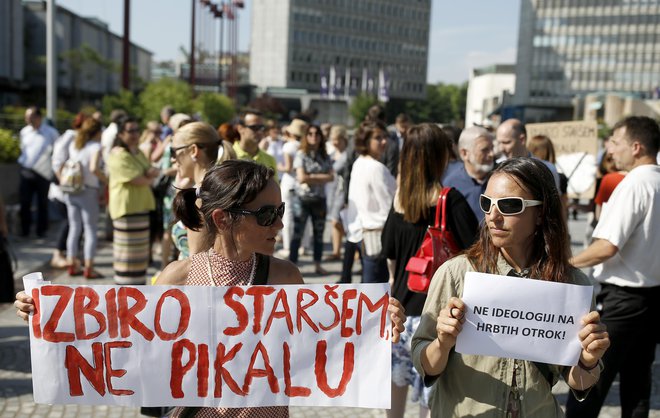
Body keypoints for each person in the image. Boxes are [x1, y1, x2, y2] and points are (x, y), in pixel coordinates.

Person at [15, 160, 408, 417]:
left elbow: (320, 343)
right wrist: (45, 314)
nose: (279, 225)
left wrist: (374, 321)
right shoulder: (178, 278)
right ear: (222, 219)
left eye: (281, 212)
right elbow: (133, 351)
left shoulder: (286, 278)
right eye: (268, 215)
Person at [412, 157, 610, 417]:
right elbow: (425, 365)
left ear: (540, 213)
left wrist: (588, 359)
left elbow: (578, 382)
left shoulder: (572, 284)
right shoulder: (456, 273)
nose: (493, 216)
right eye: (487, 203)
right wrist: (442, 343)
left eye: (508, 206)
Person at [565, 116, 660, 418]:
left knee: (591, 377)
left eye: (615, 142)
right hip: (653, 297)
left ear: (636, 147)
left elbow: (607, 246)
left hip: (624, 298)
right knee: (637, 381)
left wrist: (566, 263)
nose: (609, 149)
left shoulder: (634, 184)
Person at [382, 123, 479, 418]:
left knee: (395, 388)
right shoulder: (449, 201)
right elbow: (476, 254)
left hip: (398, 313)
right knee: (431, 393)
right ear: (440, 157)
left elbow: (388, 254)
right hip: (436, 317)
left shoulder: (399, 202)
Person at [106, 116, 158, 284]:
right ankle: (124, 294)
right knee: (126, 255)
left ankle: (138, 292)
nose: (135, 134)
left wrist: (147, 175)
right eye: (131, 130)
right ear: (121, 134)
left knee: (140, 255)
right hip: (126, 209)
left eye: (137, 130)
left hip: (141, 207)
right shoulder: (118, 154)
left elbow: (150, 170)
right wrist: (148, 177)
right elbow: (138, 179)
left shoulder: (137, 151)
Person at [346, 120, 396, 283]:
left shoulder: (360, 162)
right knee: (376, 289)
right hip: (377, 233)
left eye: (384, 137)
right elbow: (388, 204)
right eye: (378, 138)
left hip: (363, 231)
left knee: (370, 287)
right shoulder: (375, 167)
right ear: (366, 141)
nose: (384, 141)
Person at [63, 118, 107, 278]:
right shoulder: (95, 146)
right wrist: (106, 180)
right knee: (90, 229)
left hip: (71, 190)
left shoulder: (76, 145)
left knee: (74, 227)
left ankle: (71, 263)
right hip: (87, 191)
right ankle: (89, 267)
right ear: (97, 132)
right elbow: (94, 168)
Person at [288, 124, 334, 275]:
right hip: (302, 199)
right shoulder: (301, 154)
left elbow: (331, 176)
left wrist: (310, 177)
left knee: (319, 234)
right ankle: (292, 265)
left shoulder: (325, 156)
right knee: (297, 233)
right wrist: (321, 177)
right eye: (310, 134)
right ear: (306, 137)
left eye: (317, 134)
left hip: (319, 199)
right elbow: (301, 178)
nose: (314, 136)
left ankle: (317, 264)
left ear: (321, 137)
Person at [49, 112, 88, 269]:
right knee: (69, 222)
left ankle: (71, 256)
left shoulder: (83, 140)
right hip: (63, 190)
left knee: (76, 224)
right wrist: (65, 183)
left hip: (75, 190)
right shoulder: (69, 136)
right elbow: (57, 162)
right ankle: (57, 254)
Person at [18, 106, 59, 238]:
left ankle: (41, 230)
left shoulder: (51, 132)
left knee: (42, 203)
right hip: (27, 170)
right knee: (25, 202)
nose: (28, 120)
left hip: (43, 172)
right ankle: (25, 230)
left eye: (30, 117)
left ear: (38, 117)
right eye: (26, 117)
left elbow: (58, 151)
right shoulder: (24, 132)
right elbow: (23, 149)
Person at [443, 126, 495, 222]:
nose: (492, 154)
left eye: (492, 148)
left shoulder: (501, 178)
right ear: (464, 154)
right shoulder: (451, 185)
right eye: (484, 150)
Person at [496, 118, 561, 191]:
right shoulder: (496, 166)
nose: (501, 148)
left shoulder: (546, 169)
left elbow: (554, 199)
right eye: (499, 143)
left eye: (506, 142)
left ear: (522, 139)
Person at [325, 125, 349, 261]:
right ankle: (336, 251)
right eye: (333, 139)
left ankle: (352, 246)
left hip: (342, 191)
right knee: (334, 221)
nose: (334, 142)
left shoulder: (347, 155)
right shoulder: (333, 154)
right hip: (332, 190)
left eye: (336, 139)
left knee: (336, 221)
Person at [233, 110, 278, 176]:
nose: (259, 131)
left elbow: (274, 186)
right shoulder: (227, 154)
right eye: (254, 127)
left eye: (262, 127)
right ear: (240, 128)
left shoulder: (270, 159)